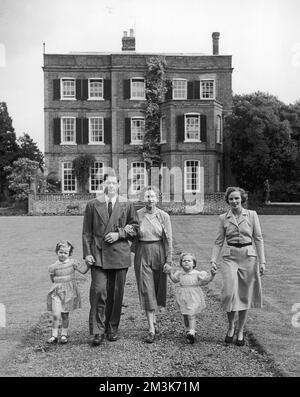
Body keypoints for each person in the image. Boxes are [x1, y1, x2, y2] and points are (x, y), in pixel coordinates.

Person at [82, 172, 139, 346]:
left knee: (116, 294)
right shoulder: (93, 205)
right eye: (108, 182)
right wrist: (87, 254)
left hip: (119, 254)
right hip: (98, 254)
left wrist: (119, 234)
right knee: (99, 291)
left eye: (114, 183)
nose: (111, 186)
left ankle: (112, 328)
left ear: (119, 185)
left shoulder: (127, 204)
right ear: (104, 184)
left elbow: (135, 227)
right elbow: (87, 232)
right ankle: (98, 331)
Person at [210, 186, 266, 346]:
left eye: (237, 198)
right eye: (231, 199)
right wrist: (213, 260)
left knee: (244, 295)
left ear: (242, 199)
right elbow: (218, 241)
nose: (234, 201)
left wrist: (262, 261)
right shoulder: (223, 218)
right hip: (230, 257)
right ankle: (230, 326)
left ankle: (240, 331)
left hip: (248, 257)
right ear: (227, 201)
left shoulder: (252, 215)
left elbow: (259, 239)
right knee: (229, 293)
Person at [132, 186, 173, 343]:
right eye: (147, 196)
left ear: (158, 198)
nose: (150, 199)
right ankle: (151, 329)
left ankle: (154, 318)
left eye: (152, 196)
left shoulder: (164, 216)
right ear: (143, 198)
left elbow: (169, 239)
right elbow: (131, 232)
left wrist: (169, 261)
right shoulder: (137, 215)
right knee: (146, 289)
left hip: (159, 252)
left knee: (157, 288)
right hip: (143, 252)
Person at [164, 253, 216, 344]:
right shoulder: (180, 274)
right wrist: (169, 273)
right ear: (181, 263)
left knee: (191, 314)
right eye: (184, 261)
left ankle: (192, 331)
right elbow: (174, 279)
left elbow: (206, 281)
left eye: (189, 260)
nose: (186, 262)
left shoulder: (197, 274)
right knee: (185, 314)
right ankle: (187, 329)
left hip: (194, 296)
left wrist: (212, 275)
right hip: (183, 296)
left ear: (194, 264)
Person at [46, 240, 92, 344]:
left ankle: (64, 334)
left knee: (65, 314)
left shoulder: (73, 264)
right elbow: (53, 279)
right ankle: (54, 335)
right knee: (55, 314)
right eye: (61, 252)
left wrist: (89, 265)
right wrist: (58, 286)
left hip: (68, 292)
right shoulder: (53, 266)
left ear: (69, 254)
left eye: (65, 253)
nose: (63, 255)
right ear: (57, 252)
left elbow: (83, 271)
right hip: (57, 291)